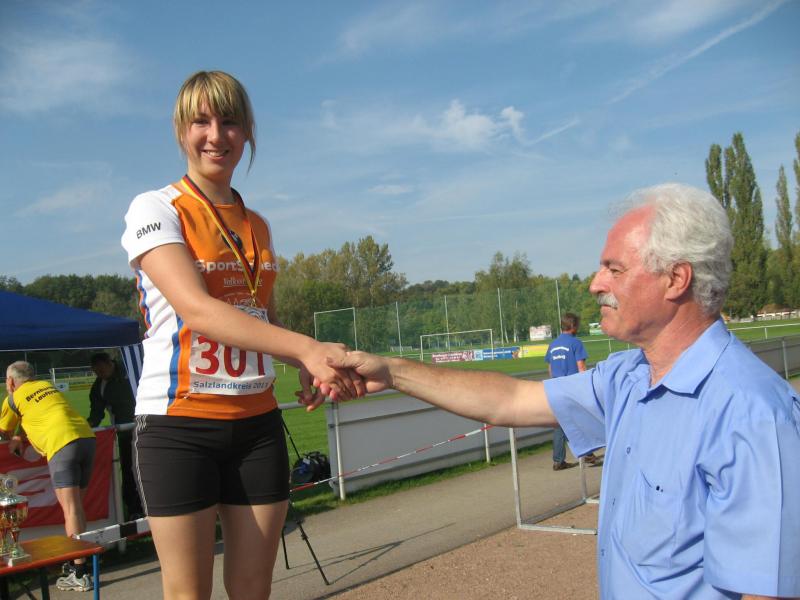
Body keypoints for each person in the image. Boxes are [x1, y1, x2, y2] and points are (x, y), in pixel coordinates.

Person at [325, 183, 800, 599]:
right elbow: (509, 401)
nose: (595, 284)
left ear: (676, 279)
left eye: (614, 269)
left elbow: (767, 590)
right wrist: (391, 372)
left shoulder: (753, 414)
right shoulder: (628, 377)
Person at [120, 70, 362, 600]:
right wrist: (308, 348)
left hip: (256, 424)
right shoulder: (155, 207)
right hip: (179, 425)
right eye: (201, 122)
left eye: (229, 122)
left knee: (253, 589)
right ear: (181, 130)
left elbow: (260, 315)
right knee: (189, 593)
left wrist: (301, 363)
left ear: (247, 131)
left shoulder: (258, 224)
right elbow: (198, 310)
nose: (216, 135)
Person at [1, 361, 97, 592]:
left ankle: (80, 572)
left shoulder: (12, 398)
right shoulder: (46, 385)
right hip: (86, 438)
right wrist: (21, 435)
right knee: (77, 509)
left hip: (61, 443)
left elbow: (4, 432)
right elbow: (38, 414)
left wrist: (14, 437)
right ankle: (79, 563)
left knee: (71, 510)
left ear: (11, 381)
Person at [87, 352, 143, 520]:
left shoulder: (131, 369)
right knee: (129, 470)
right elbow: (96, 413)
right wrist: (86, 426)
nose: (100, 374)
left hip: (149, 428)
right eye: (96, 372)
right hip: (125, 434)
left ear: (110, 363)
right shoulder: (99, 386)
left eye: (101, 370)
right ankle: (134, 509)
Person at [545, 312, 588, 470]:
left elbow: (550, 368)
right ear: (573, 326)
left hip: (556, 388)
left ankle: (558, 460)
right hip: (572, 388)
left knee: (560, 425)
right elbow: (581, 367)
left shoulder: (553, 345)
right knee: (582, 419)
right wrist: (585, 387)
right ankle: (587, 453)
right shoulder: (576, 343)